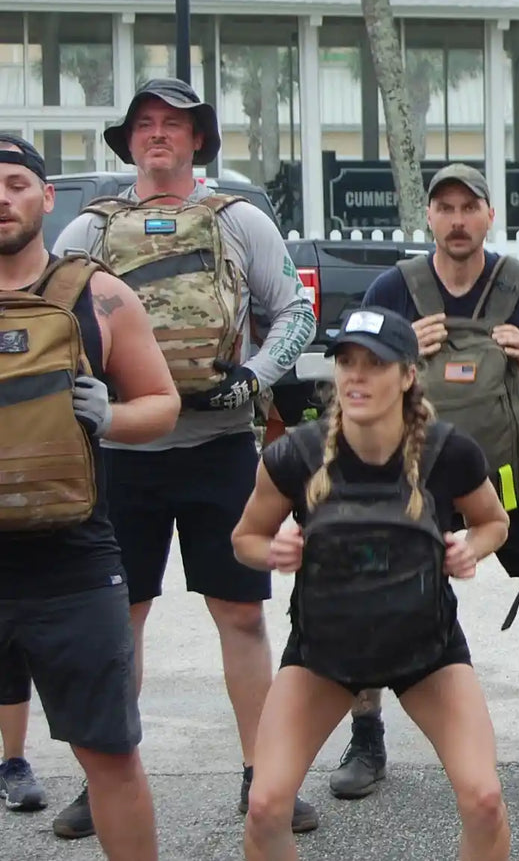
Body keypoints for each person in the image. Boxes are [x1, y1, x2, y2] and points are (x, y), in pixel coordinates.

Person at [48, 79, 319, 837]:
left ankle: (263, 776)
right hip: (118, 449)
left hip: (219, 448)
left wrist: (256, 377)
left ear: (199, 139)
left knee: (240, 614)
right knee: (116, 619)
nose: (158, 133)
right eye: (145, 123)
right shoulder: (89, 231)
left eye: (173, 123)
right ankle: (104, 777)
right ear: (129, 141)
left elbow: (296, 311)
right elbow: (48, 320)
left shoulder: (240, 219)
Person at [336, 163, 519, 797]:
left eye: (468, 208)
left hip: (508, 466)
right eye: (445, 208)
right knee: (367, 590)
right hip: (411, 467)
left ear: (489, 216)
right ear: (429, 217)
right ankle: (366, 737)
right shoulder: (394, 288)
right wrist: (399, 349)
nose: (457, 221)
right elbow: (351, 379)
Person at [232, 306, 512, 861]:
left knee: (484, 801)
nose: (356, 376)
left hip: (427, 651)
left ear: (407, 375)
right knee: (265, 807)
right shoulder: (295, 455)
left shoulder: (448, 451)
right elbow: (245, 539)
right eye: (347, 362)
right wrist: (274, 551)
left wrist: (469, 547)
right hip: (324, 653)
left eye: (375, 364)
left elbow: (494, 522)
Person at [0, 133, 182, 858]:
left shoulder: (98, 294)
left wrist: (109, 416)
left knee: (109, 755)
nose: (1, 198)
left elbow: (163, 404)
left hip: (74, 565)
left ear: (47, 198)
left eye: (16, 183)